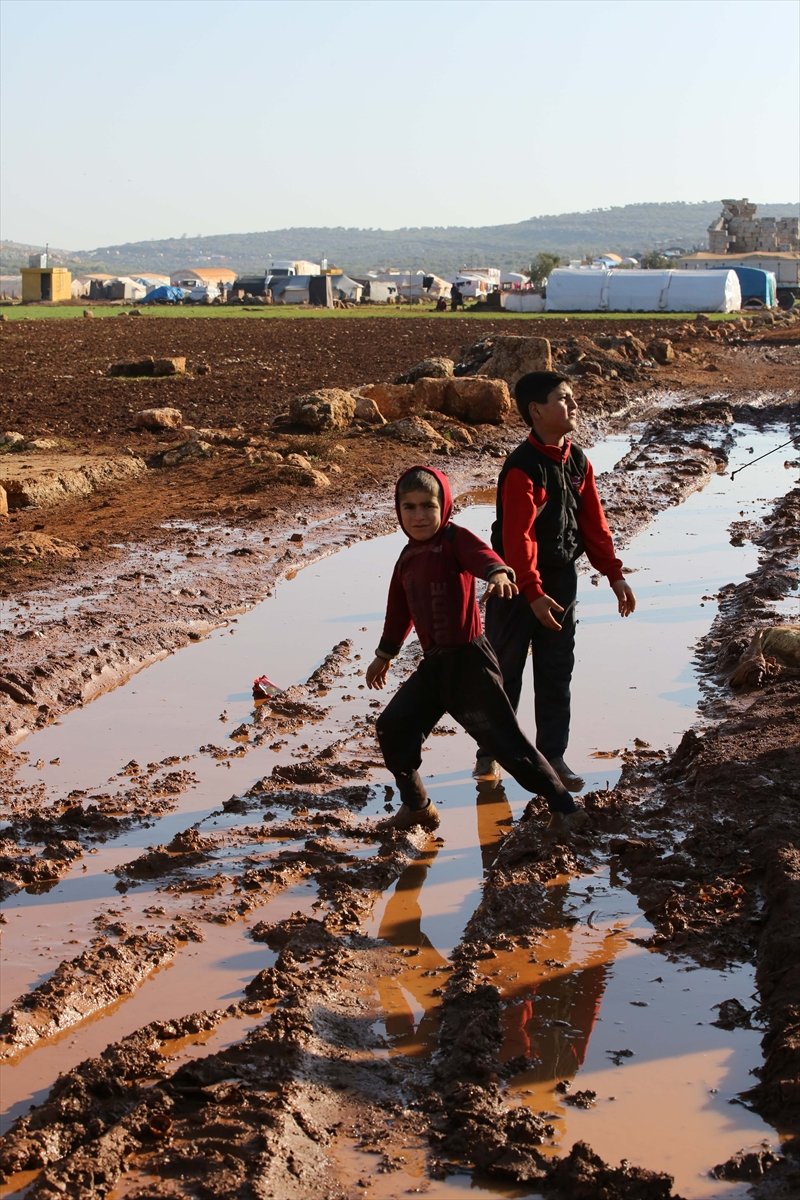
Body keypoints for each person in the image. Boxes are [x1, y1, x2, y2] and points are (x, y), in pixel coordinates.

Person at [366, 465, 587, 834]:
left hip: (471, 666)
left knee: (508, 744)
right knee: (393, 727)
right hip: (435, 668)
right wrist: (384, 655)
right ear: (399, 510)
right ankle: (417, 805)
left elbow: (485, 558)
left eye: (428, 506)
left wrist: (500, 574)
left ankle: (566, 809)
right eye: (410, 507)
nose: (419, 516)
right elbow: (399, 610)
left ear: (444, 506)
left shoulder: (456, 540)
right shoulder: (407, 558)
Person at [476, 371, 636, 792]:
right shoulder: (522, 468)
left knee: (555, 671)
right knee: (504, 672)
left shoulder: (578, 461)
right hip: (515, 586)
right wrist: (532, 592)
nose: (574, 405)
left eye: (573, 397)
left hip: (561, 582)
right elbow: (519, 537)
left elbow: (594, 525)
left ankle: (553, 757)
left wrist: (614, 574)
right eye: (564, 398)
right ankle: (491, 753)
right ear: (536, 411)